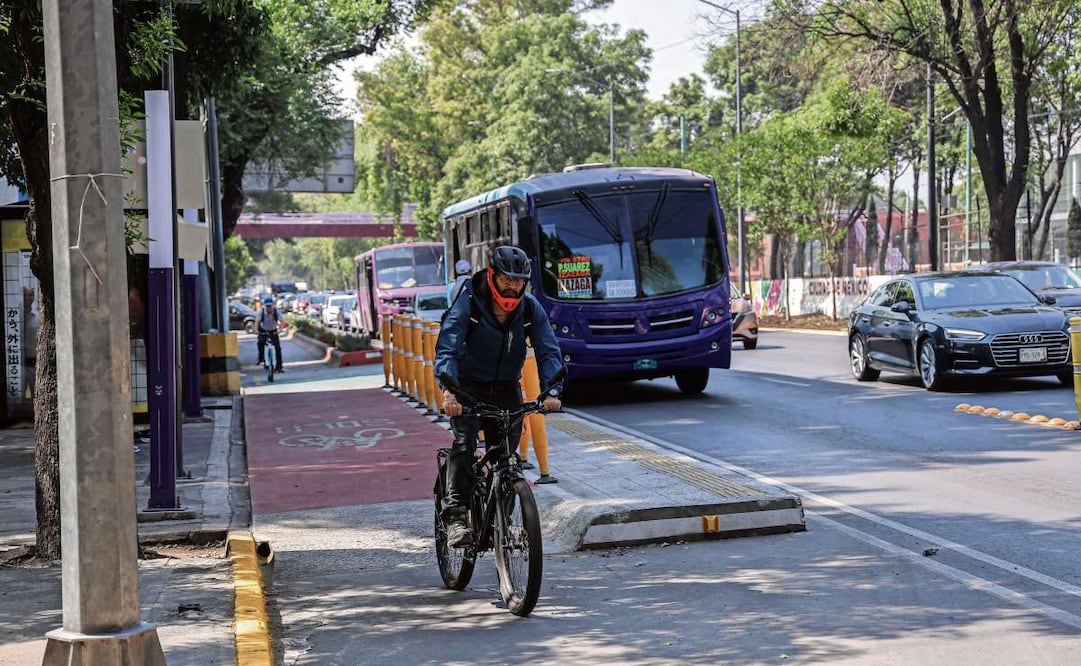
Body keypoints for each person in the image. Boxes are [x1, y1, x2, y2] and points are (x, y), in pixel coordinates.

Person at [434, 246, 564, 547]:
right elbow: (448, 346)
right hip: (465, 385)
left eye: (519, 280)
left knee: (507, 456)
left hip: (506, 387)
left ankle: (501, 523)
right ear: (492, 276)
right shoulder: (470, 302)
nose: (513, 286)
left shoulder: (530, 309)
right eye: (507, 279)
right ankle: (455, 515)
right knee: (465, 444)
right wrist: (449, 391)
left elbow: (548, 350)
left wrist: (552, 391)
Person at [256, 297, 286, 373]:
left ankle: (279, 367)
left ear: (273, 306)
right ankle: (261, 359)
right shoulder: (261, 312)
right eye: (267, 306)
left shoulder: (277, 312)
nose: (269, 308)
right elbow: (257, 322)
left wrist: (280, 329)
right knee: (260, 343)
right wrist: (256, 331)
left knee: (277, 348)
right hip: (263, 330)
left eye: (270, 306)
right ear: (265, 306)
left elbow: (282, 321)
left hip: (273, 330)